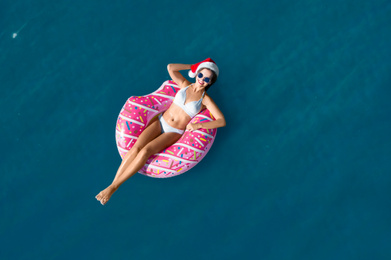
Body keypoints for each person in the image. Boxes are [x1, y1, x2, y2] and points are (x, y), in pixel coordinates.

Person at [96, 58, 226, 205]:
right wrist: (193, 66)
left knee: (145, 152)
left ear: (210, 82)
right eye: (200, 75)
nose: (202, 79)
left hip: (175, 131)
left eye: (206, 78)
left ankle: (114, 187)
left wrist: (198, 126)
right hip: (160, 122)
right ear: (196, 74)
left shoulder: (205, 100)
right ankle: (112, 185)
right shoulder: (184, 85)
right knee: (136, 148)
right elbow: (171, 67)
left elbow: (221, 120)